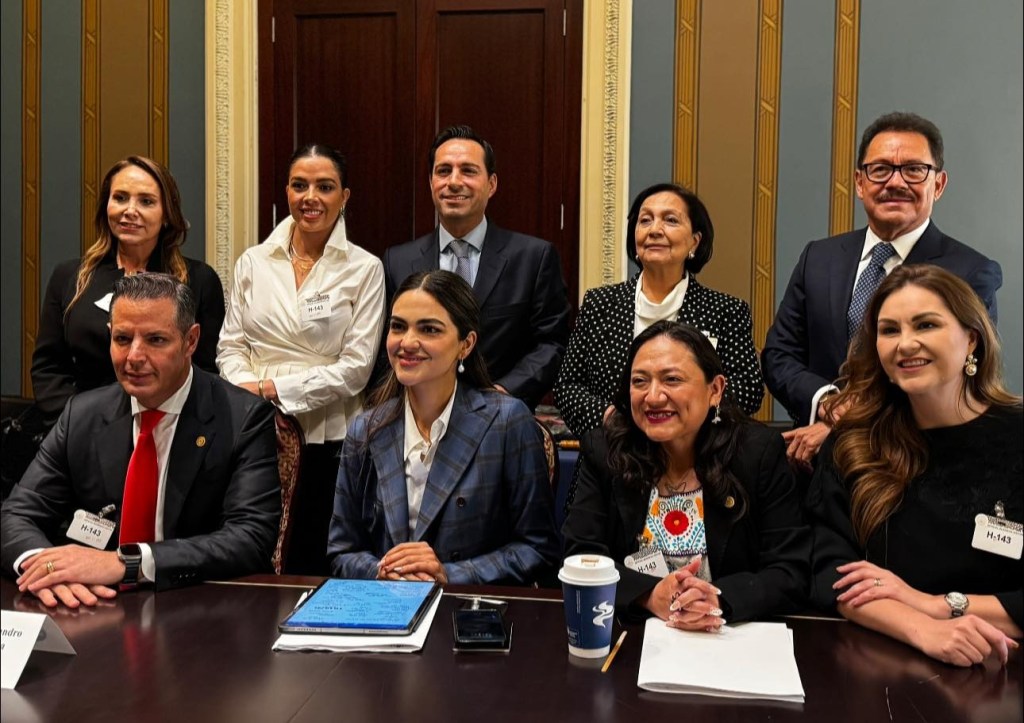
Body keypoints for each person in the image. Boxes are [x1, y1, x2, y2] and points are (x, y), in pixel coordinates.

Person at [2, 274, 281, 608]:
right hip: (95, 606)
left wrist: (128, 563)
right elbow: (16, 515)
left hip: (199, 608)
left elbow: (250, 539)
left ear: (190, 341)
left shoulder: (243, 418)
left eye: (155, 340)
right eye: (122, 338)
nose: (134, 356)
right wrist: (46, 568)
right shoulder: (83, 414)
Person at [807, 264, 1022, 667]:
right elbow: (832, 576)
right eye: (889, 331)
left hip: (1001, 667)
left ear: (971, 339)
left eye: (925, 325)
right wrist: (924, 630)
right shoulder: (853, 442)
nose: (905, 344)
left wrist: (938, 606)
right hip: (880, 662)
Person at [763, 112, 1002, 468]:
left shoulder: (971, 272)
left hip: (916, 462)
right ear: (860, 183)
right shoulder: (819, 257)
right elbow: (779, 355)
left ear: (938, 184)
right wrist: (828, 402)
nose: (895, 182)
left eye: (914, 170)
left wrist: (848, 426)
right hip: (812, 466)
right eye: (880, 170)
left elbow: (963, 380)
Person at [563, 321, 809, 628]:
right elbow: (581, 555)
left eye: (672, 379)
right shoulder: (606, 451)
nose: (653, 397)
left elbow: (790, 571)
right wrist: (649, 595)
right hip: (636, 637)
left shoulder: (756, 454)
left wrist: (716, 599)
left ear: (715, 390)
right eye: (640, 381)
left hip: (730, 639)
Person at [328, 270, 559, 585]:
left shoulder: (507, 422)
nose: (408, 342)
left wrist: (448, 574)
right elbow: (342, 551)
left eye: (429, 329)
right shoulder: (365, 429)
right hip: (386, 609)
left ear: (466, 344)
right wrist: (382, 570)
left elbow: (538, 550)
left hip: (469, 613)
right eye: (398, 327)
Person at [217, 143, 385, 576]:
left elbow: (356, 369)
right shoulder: (252, 261)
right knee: (252, 551)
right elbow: (230, 347)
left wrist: (271, 390)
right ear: (286, 191)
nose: (311, 197)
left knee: (313, 557)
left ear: (345, 196)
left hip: (329, 436)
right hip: (253, 429)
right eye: (299, 185)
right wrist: (247, 397)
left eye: (325, 187)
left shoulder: (365, 269)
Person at [556, 182, 764, 442]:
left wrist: (680, 417)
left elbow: (749, 390)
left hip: (699, 457)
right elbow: (567, 387)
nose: (654, 230)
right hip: (612, 455)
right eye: (645, 221)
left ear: (695, 242)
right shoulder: (600, 304)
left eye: (670, 220)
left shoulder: (726, 311)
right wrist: (613, 420)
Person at [382, 125, 570, 411]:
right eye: (443, 171)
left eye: (468, 171)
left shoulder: (533, 258)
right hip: (419, 416)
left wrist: (503, 392)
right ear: (431, 182)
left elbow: (552, 343)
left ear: (492, 184)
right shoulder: (398, 261)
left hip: (502, 419)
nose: (454, 182)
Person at [31, 156, 225, 427]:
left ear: (167, 214)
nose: (130, 210)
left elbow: (206, 373)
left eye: (146, 201)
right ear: (106, 206)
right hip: (79, 429)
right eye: (120, 198)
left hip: (168, 430)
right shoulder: (70, 276)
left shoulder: (199, 280)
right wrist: (79, 425)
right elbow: (48, 369)